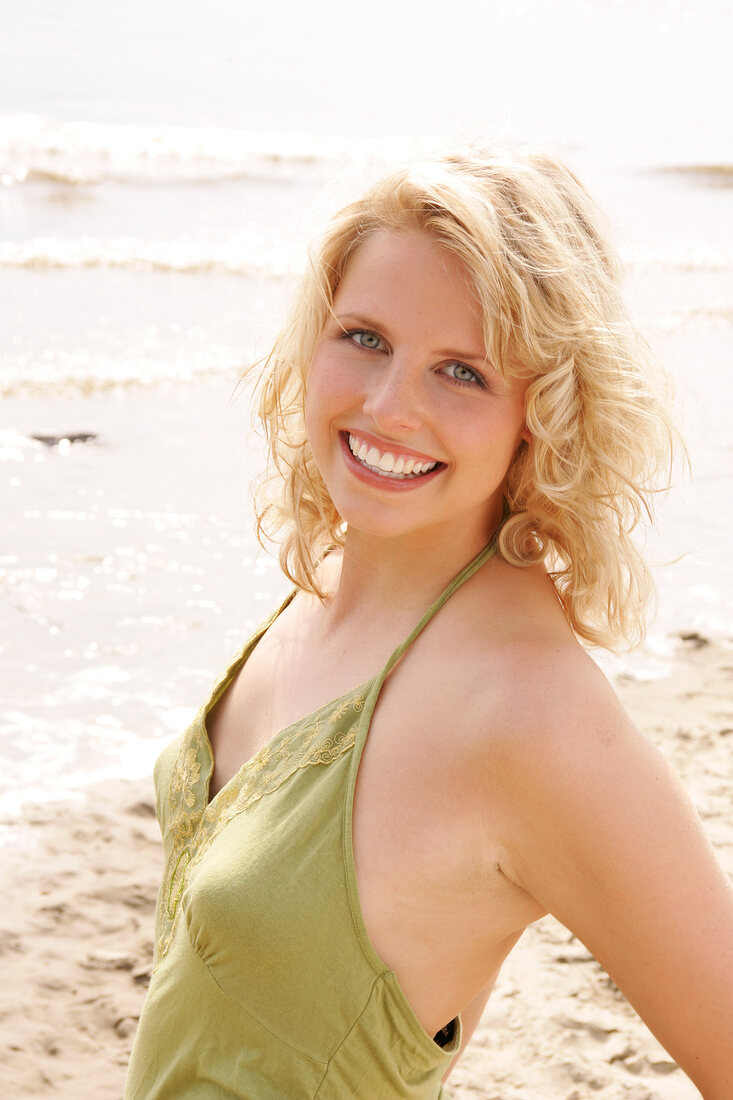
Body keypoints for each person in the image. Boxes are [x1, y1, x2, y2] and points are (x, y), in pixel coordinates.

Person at [125, 149, 733, 1099]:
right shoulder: (334, 575)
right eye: (363, 338)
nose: (386, 407)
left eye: (462, 372)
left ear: (544, 414)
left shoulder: (529, 712)